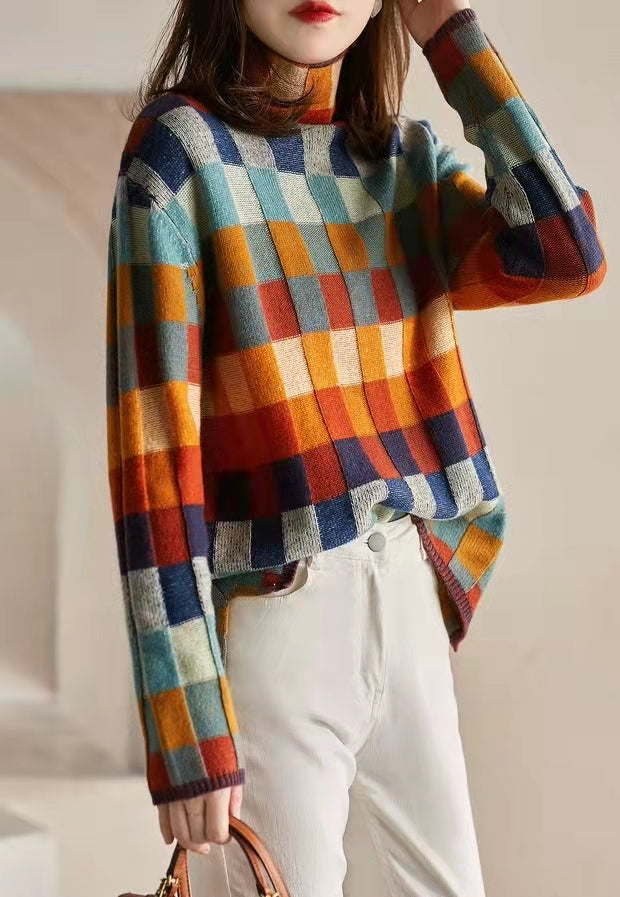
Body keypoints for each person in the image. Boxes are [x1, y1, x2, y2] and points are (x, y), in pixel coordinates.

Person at [105, 0, 606, 894]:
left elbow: (564, 251)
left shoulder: (403, 159)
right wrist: (185, 721)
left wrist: (450, 36)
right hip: (279, 614)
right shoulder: (180, 152)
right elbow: (154, 456)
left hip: (407, 594)